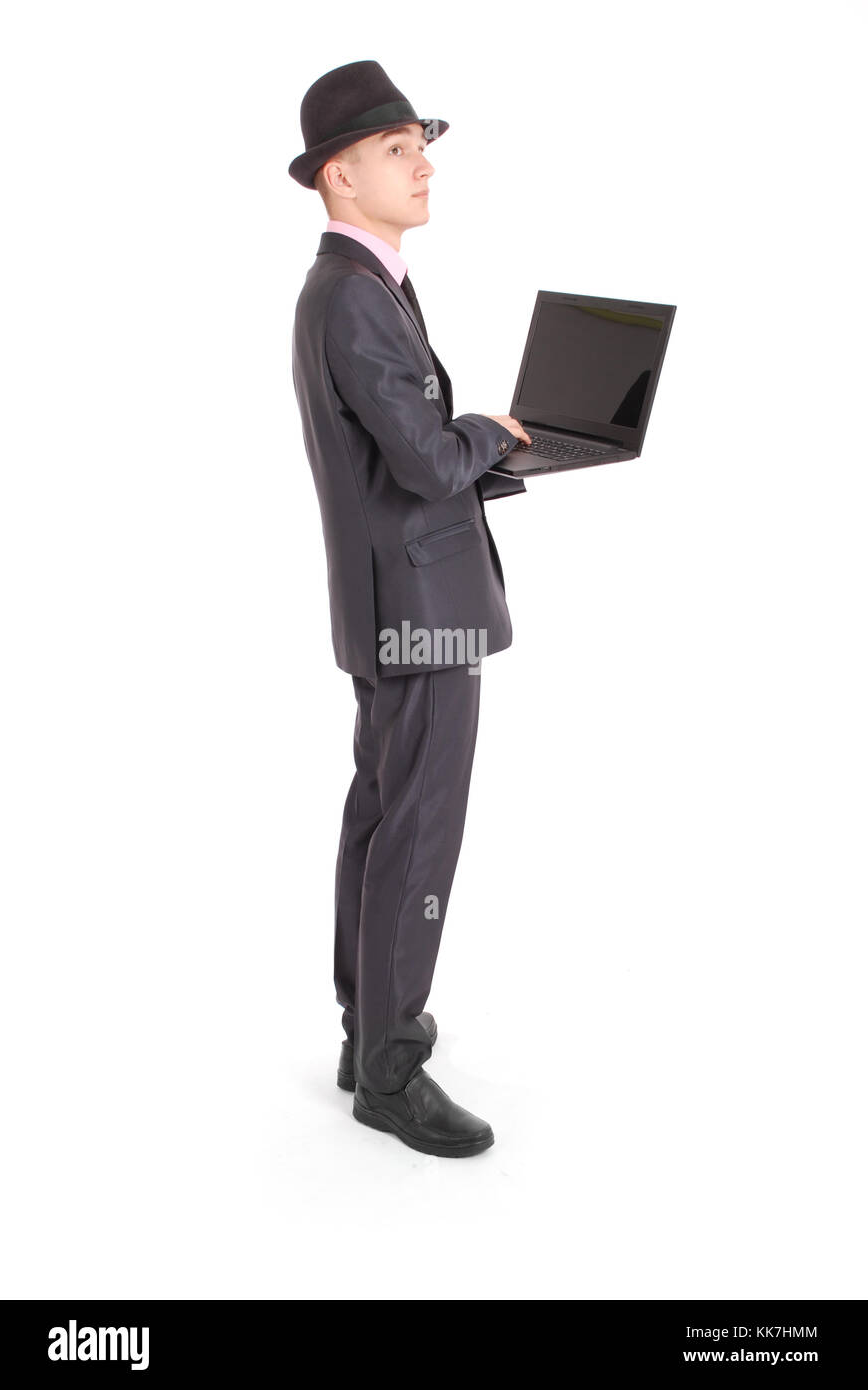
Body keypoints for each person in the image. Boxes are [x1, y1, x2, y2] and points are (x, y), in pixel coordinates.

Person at [289, 59, 530, 1158]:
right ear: (341, 177)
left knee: (382, 818)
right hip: (421, 612)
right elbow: (429, 459)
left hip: (396, 600)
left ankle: (365, 1032)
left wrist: (491, 453)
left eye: (420, 143)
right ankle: (391, 1068)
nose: (422, 163)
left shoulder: (363, 281)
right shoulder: (351, 293)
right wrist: (492, 431)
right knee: (417, 832)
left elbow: (402, 455)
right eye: (397, 150)